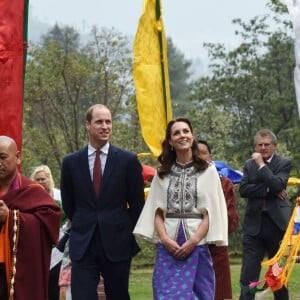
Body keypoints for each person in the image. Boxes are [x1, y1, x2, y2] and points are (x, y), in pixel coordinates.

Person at [133, 117, 228, 299]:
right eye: (176, 133)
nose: (182, 135)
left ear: (192, 136)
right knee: (165, 294)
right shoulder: (162, 173)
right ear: (170, 141)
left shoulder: (208, 171)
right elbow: (157, 211)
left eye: (186, 131)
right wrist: (164, 239)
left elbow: (212, 212)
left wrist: (193, 241)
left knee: (199, 295)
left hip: (197, 243)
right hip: (168, 244)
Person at [60, 104, 145, 300]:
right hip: (83, 243)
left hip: (117, 242)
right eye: (99, 122)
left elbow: (137, 204)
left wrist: (123, 228)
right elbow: (69, 203)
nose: (105, 126)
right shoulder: (71, 162)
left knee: (118, 295)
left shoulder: (128, 160)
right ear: (87, 125)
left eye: (108, 121)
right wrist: (83, 222)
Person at [0, 135, 61, 299]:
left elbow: (49, 221)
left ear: (18, 157)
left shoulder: (31, 190)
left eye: (3, 157)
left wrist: (11, 217)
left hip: (19, 268)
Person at [239, 129, 293, 300]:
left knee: (278, 275)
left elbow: (279, 185)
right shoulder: (248, 165)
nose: (263, 148)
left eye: (266, 144)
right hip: (253, 226)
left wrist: (262, 166)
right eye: (259, 145)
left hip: (277, 226)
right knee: (248, 275)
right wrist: (269, 188)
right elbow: (244, 190)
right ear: (256, 146)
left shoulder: (284, 163)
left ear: (274, 146)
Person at [198, 140, 239, 300]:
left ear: (210, 156)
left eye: (203, 152)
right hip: (190, 248)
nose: (199, 157)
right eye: (195, 153)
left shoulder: (224, 183)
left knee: (218, 294)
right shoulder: (184, 181)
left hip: (216, 248)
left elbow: (231, 221)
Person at [30, 164, 64, 300]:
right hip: (38, 247)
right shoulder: (31, 196)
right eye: (37, 179)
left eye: (43, 179)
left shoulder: (59, 196)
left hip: (59, 247)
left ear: (49, 179)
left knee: (54, 286)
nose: (40, 182)